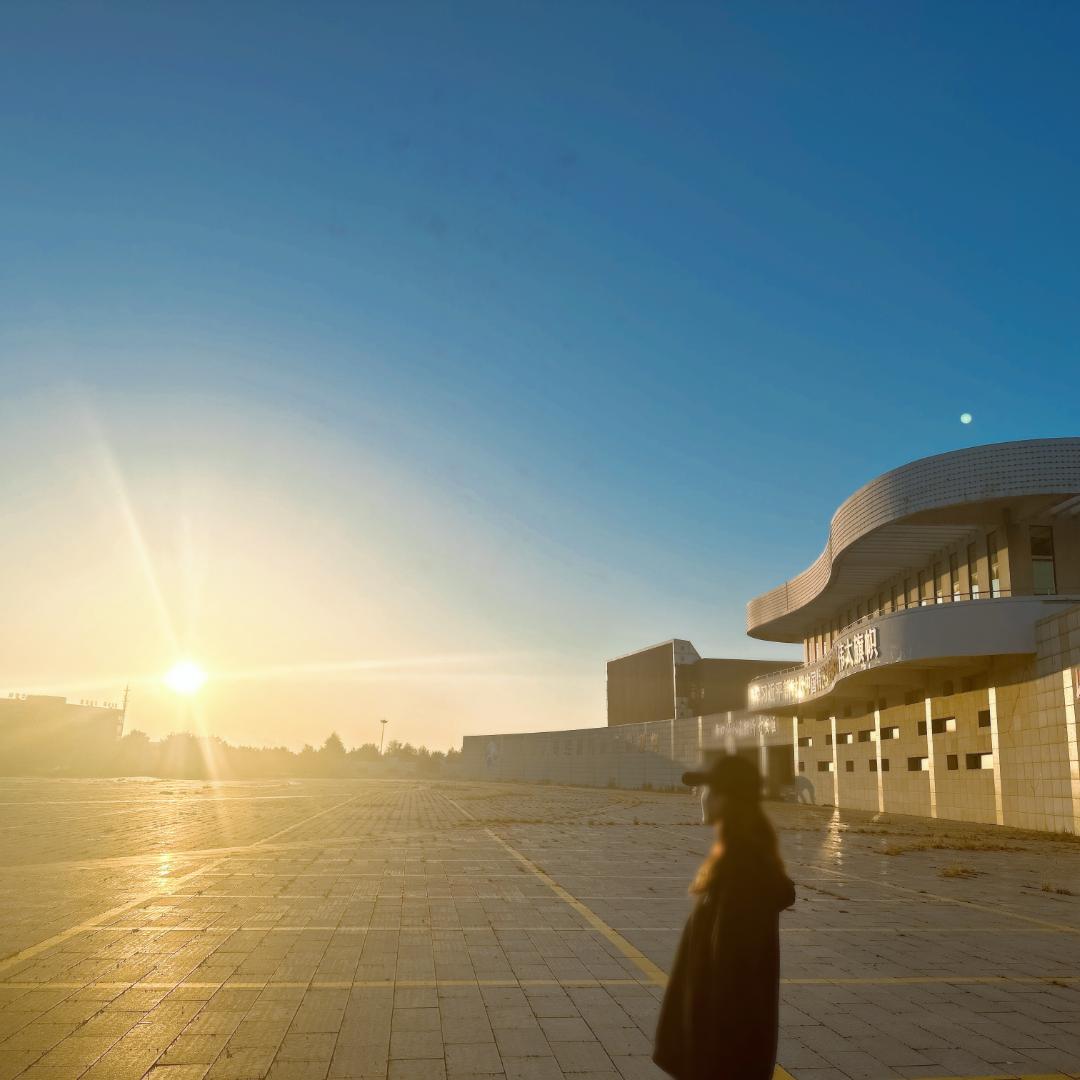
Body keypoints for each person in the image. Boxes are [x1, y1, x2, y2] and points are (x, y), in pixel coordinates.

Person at [653, 755, 796, 1080]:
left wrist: (707, 1063)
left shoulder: (741, 872)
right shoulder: (741, 860)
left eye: (707, 789)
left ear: (727, 798)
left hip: (722, 1060)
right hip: (725, 1054)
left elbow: (733, 980)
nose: (700, 796)